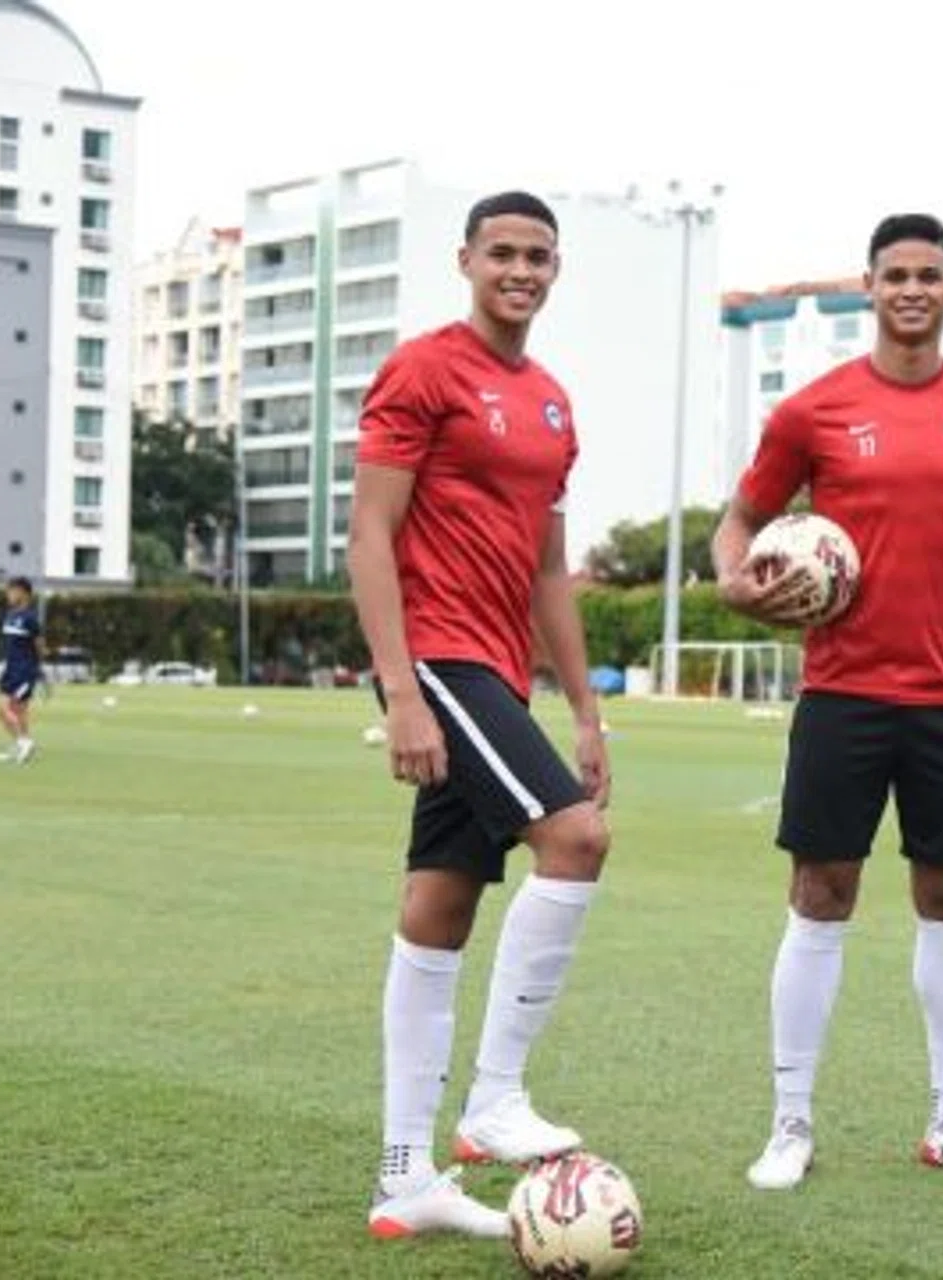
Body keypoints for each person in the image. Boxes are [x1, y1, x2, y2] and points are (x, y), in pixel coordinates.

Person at [713, 213, 943, 1192]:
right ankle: (789, 1123)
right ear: (869, 286)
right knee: (821, 895)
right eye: (895, 274)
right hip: (843, 694)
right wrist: (736, 582)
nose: (912, 289)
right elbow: (740, 520)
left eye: (928, 275)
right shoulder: (811, 411)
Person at [348, 191, 612, 1240]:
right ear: (466, 260)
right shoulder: (423, 370)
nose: (520, 270)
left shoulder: (552, 403)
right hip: (438, 655)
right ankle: (495, 1098)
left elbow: (549, 573)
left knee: (439, 902)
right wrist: (402, 690)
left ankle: (404, 1177)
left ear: (557, 269)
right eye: (501, 252)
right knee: (576, 838)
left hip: (499, 669)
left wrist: (586, 710)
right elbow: (371, 535)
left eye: (537, 256)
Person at [0, 576, 42, 763]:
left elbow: (39, 645)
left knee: (7, 708)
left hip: (24, 671)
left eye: (12, 591)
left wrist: (35, 669)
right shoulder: (10, 615)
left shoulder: (30, 618)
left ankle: (24, 742)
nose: (9, 595)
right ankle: (21, 745)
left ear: (23, 593)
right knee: (15, 712)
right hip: (10, 669)